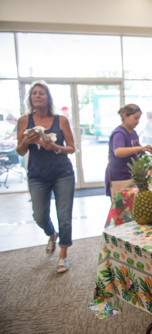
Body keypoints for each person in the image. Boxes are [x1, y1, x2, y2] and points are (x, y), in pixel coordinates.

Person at [16, 81, 75, 273]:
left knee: (64, 216)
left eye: (41, 93)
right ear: (30, 98)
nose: (37, 96)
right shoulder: (24, 121)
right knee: (39, 216)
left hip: (63, 174)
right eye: (34, 93)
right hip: (37, 175)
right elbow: (20, 151)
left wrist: (56, 147)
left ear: (48, 97)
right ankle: (52, 234)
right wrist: (26, 140)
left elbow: (72, 148)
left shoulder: (61, 120)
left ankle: (63, 255)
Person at [105, 104, 152, 198]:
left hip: (130, 176)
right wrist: (140, 148)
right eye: (135, 118)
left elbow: (136, 150)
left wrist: (147, 151)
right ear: (125, 116)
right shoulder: (119, 133)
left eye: (139, 118)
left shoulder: (133, 132)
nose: (137, 121)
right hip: (120, 178)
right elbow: (118, 152)